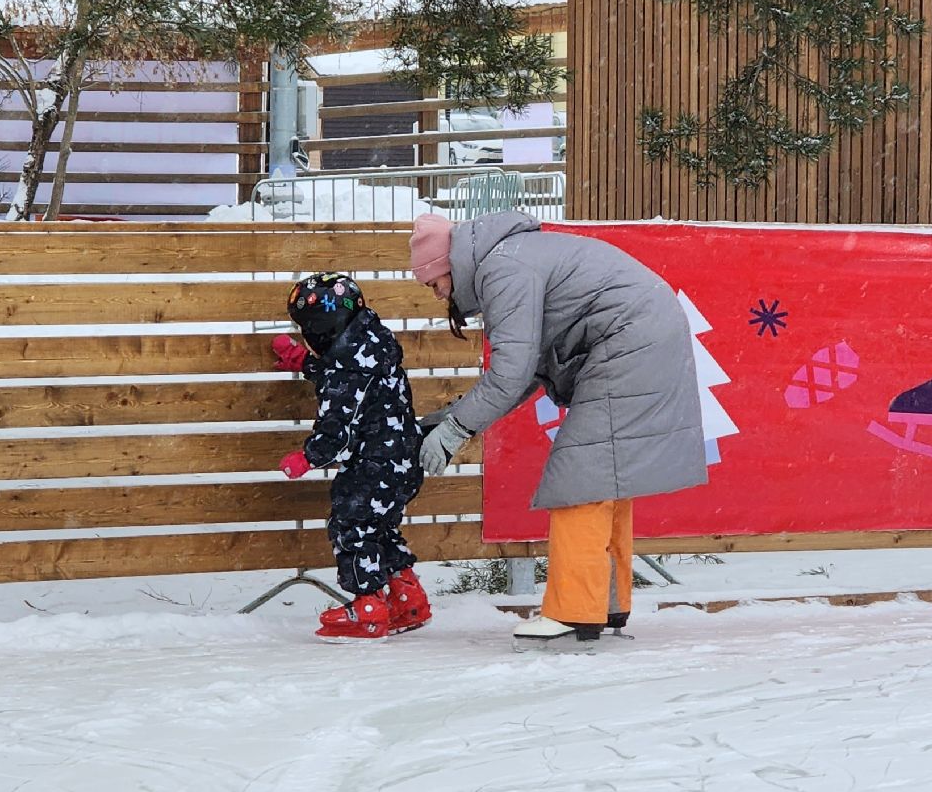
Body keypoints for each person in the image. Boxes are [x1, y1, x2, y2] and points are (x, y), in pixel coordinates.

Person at [408, 211, 707, 643]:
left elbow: (510, 373)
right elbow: (523, 371)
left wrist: (456, 430)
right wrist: (457, 418)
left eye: (434, 283)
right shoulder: (509, 256)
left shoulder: (503, 268)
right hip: (642, 334)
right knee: (605, 479)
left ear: (450, 266)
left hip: (628, 342)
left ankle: (573, 612)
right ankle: (603, 604)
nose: (437, 295)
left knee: (581, 479)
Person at [271, 271, 432, 642]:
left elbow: (337, 424)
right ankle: (408, 598)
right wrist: (303, 363)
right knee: (381, 528)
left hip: (371, 465)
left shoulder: (344, 366)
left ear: (321, 331)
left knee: (353, 528)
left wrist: (309, 457)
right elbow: (350, 378)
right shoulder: (372, 344)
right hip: (403, 460)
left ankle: (368, 608)